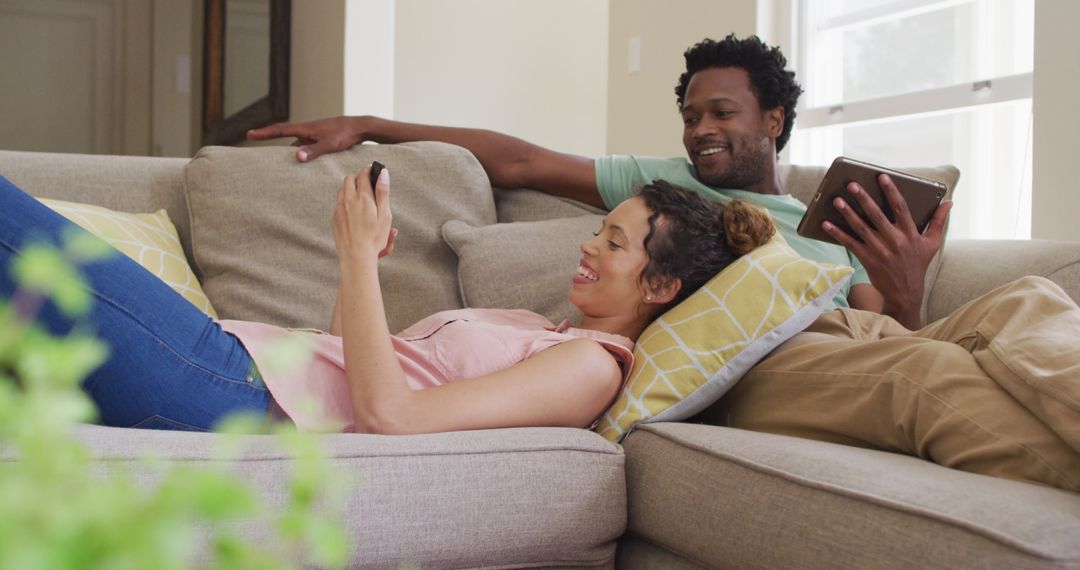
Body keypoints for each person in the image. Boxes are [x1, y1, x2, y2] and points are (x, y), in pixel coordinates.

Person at [248, 34, 1080, 492]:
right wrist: (367, 123)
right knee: (922, 384)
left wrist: (902, 283)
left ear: (775, 119)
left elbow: (894, 332)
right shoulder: (666, 191)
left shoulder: (827, 223)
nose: (699, 131)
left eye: (721, 112)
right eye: (690, 115)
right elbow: (524, 162)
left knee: (1026, 299)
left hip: (840, 327)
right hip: (758, 358)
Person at [0, 172, 774, 435]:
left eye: (613, 243)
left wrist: (352, 261)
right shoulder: (540, 328)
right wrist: (361, 267)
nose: (587, 248)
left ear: (661, 286)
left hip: (229, 391)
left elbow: (390, 418)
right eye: (597, 232)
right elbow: (358, 367)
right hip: (238, 368)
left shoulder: (590, 368)